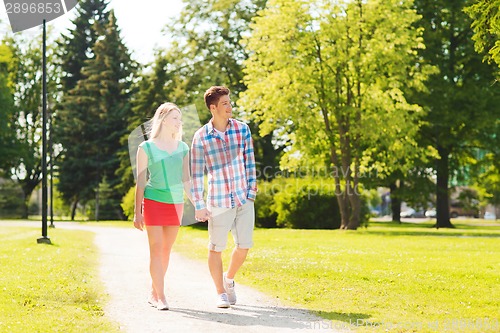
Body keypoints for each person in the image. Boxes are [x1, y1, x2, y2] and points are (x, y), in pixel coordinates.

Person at [191, 86, 257, 308]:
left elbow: (250, 162)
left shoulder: (242, 129)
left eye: (230, 102)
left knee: (244, 246)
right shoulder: (201, 137)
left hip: (243, 198)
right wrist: (199, 205)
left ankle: (228, 279)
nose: (230, 107)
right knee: (215, 248)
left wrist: (251, 194)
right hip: (218, 201)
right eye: (225, 103)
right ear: (213, 108)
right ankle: (220, 292)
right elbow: (196, 174)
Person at [133, 102, 192, 310]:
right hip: (154, 202)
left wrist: (199, 205)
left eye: (180, 118)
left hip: (175, 204)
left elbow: (187, 181)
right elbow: (140, 182)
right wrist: (137, 212)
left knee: (166, 251)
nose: (179, 122)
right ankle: (161, 296)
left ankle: (153, 291)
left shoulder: (183, 148)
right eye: (175, 118)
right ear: (164, 119)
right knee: (156, 249)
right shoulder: (146, 147)